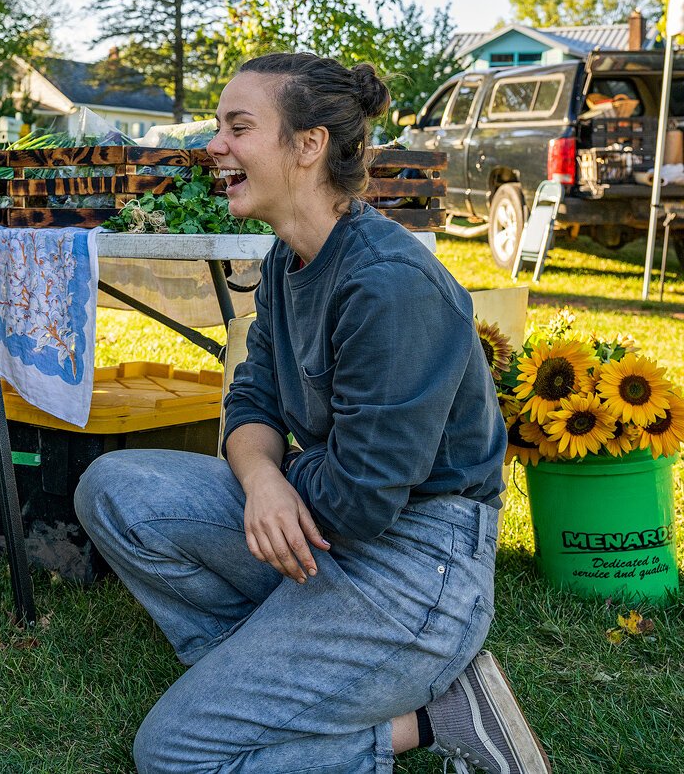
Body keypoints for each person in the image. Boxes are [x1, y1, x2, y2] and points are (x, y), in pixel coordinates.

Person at [75, 52, 549, 774]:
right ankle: (263, 671)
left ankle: (435, 717)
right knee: (114, 490)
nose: (216, 146)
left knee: (174, 755)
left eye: (238, 128)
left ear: (307, 146)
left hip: (419, 564)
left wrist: (278, 473)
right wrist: (264, 480)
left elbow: (361, 500)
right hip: (325, 518)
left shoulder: (387, 285)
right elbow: (251, 397)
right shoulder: (285, 258)